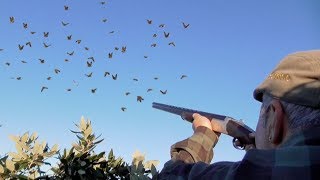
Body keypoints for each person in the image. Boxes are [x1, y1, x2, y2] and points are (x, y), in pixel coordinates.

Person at [159, 50, 320, 180]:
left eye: (261, 114)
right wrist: (254, 144)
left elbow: (169, 176)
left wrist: (203, 133)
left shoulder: (255, 173)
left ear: (274, 119)